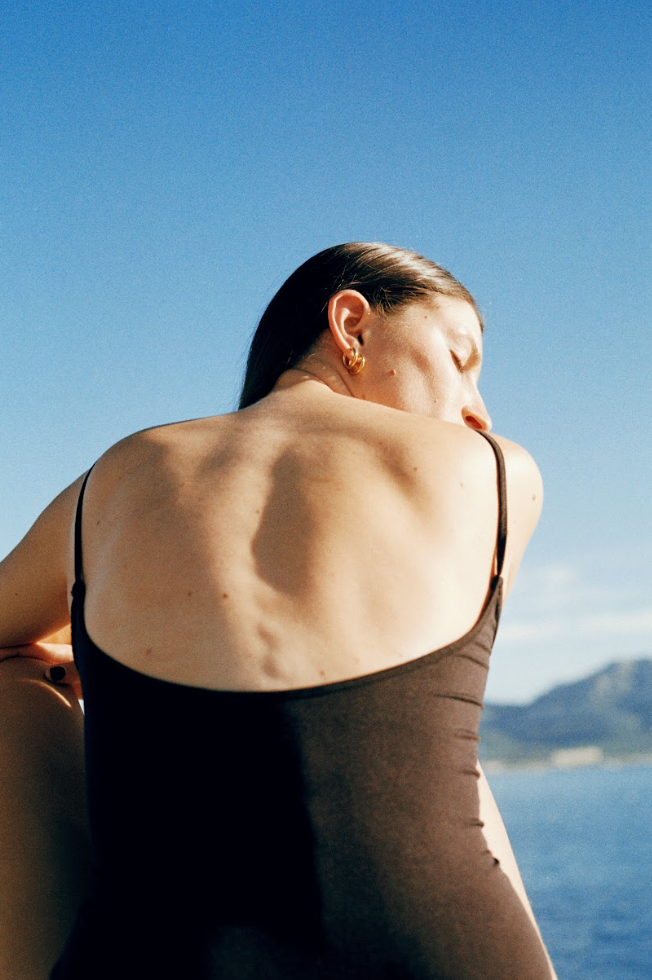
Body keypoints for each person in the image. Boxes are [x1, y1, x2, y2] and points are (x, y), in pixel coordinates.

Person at [0, 242, 558, 979]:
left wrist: (87, 667)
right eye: (460, 360)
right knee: (449, 730)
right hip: (439, 951)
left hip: (157, 956)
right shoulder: (497, 474)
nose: (478, 411)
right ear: (351, 324)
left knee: (9, 682)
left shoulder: (112, 478)